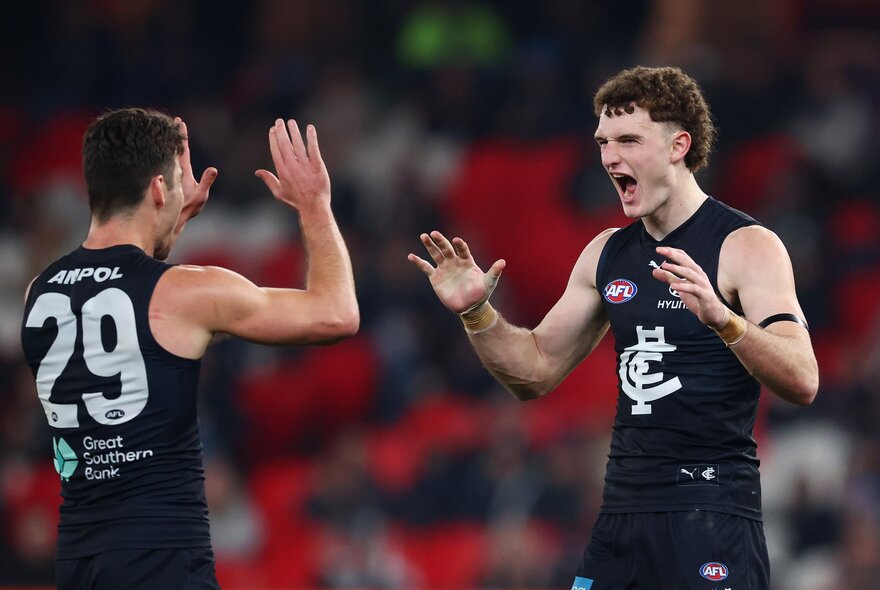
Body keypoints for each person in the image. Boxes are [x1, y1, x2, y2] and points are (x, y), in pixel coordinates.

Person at [408, 66, 818, 589]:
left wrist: (725, 321)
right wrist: (476, 313)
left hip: (711, 516)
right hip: (621, 519)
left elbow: (803, 378)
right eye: (603, 142)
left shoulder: (746, 246)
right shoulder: (606, 254)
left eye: (628, 140)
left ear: (678, 145)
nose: (609, 158)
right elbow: (533, 372)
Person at [20, 108, 359, 590]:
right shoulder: (187, 293)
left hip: (79, 560)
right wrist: (315, 206)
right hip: (163, 561)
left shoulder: (40, 292)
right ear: (159, 190)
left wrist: (168, 223)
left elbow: (125, 296)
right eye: (178, 182)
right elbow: (336, 314)